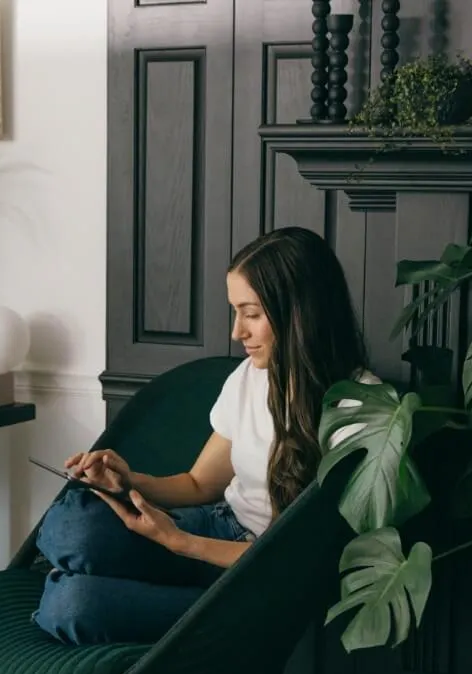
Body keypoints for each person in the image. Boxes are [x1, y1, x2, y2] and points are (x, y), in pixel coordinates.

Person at [33, 226, 374, 645]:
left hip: (261, 577)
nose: (237, 332)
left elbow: (300, 561)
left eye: (251, 314)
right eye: (236, 313)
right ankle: (155, 594)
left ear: (300, 312)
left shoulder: (361, 411)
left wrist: (181, 543)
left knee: (71, 605)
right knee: (72, 523)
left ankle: (138, 595)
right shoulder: (252, 377)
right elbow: (198, 484)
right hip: (218, 528)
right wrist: (129, 481)